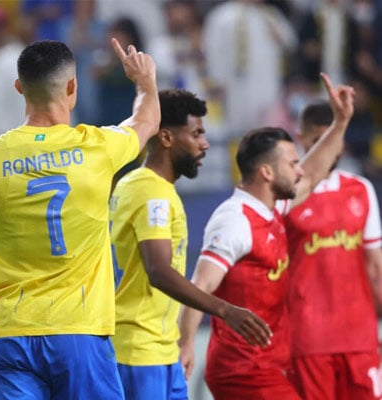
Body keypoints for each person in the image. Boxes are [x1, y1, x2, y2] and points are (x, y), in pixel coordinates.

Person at [0, 39, 160, 399]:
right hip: (80, 334)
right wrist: (145, 81)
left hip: (12, 334)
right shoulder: (98, 147)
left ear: (19, 88)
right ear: (73, 87)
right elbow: (147, 121)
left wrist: (5, 265)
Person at [177, 73, 355, 400]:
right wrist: (186, 341)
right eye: (292, 163)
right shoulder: (235, 220)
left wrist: (340, 123)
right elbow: (199, 286)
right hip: (243, 371)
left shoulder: (272, 209)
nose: (299, 169)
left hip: (268, 366)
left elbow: (313, 173)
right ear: (267, 172)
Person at [110, 89, 272, 400]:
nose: (205, 144)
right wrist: (224, 310)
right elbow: (158, 270)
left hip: (160, 347)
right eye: (196, 133)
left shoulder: (145, 186)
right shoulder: (151, 193)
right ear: (167, 138)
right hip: (138, 352)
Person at [285, 101, 382, 400]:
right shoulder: (285, 198)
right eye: (318, 141)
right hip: (307, 341)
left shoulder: (361, 189)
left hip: (360, 339)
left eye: (334, 139)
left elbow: (375, 267)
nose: (330, 150)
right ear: (301, 139)